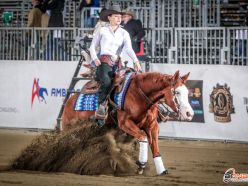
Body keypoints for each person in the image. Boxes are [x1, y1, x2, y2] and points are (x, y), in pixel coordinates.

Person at [89, 4, 142, 120]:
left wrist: (136, 61)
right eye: (116, 16)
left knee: (129, 82)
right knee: (107, 82)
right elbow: (92, 47)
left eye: (120, 16)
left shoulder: (124, 33)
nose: (119, 18)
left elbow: (128, 48)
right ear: (109, 17)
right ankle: (101, 107)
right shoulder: (102, 30)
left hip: (118, 63)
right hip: (103, 61)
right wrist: (95, 59)